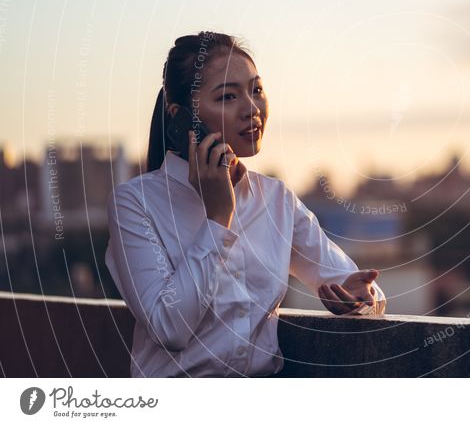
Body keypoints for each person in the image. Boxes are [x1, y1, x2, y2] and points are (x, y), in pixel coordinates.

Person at [105, 31, 386, 377]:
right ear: (180, 118)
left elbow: (360, 288)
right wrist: (218, 218)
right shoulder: (134, 204)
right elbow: (169, 327)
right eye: (227, 97)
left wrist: (360, 299)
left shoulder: (277, 200)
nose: (251, 109)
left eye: (256, 90)